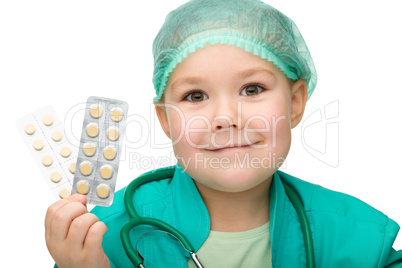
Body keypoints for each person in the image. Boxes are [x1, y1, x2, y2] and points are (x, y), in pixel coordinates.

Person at [45, 0, 402, 267]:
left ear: (295, 102)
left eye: (251, 89)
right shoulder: (100, 241)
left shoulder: (361, 240)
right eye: (195, 96)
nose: (225, 118)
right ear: (165, 118)